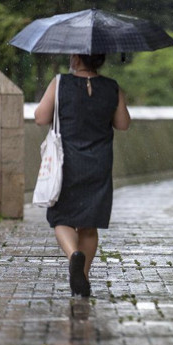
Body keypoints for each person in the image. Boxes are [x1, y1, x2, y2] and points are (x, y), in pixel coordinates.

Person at [34, 53, 131, 296]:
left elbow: (40, 117)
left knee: (61, 218)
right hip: (98, 164)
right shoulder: (112, 87)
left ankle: (73, 256)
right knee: (89, 225)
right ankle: (83, 277)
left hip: (67, 162)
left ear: (76, 58)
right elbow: (123, 123)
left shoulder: (60, 83)